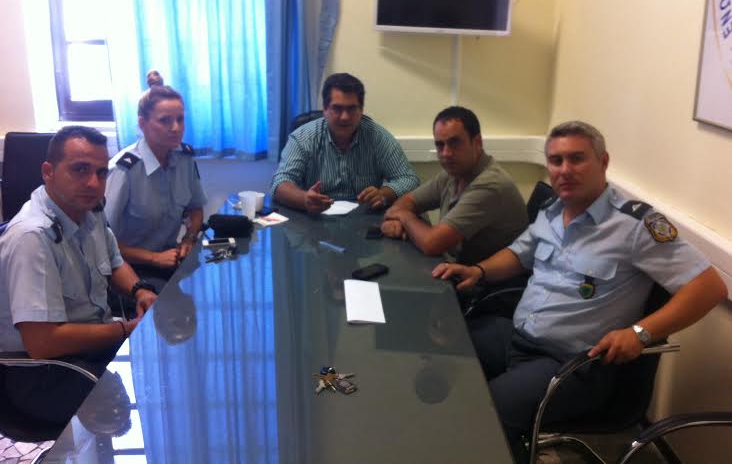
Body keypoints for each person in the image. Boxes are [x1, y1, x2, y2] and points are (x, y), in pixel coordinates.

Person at [432, 120, 728, 462]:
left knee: (484, 414)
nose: (565, 169)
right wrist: (478, 270)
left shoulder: (634, 227)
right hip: (517, 337)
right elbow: (518, 254)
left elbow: (709, 287)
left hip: (571, 365)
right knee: (445, 346)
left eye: (577, 158)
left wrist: (640, 333)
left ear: (603, 162)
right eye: (556, 161)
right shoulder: (553, 211)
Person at [0, 126, 158, 424]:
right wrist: (125, 330)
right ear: (48, 172)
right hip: (41, 373)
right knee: (150, 401)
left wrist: (140, 290)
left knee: (167, 360)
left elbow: (114, 263)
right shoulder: (32, 237)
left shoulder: (89, 211)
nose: (93, 183)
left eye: (101, 173)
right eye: (80, 169)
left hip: (88, 346)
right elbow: (42, 342)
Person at [381, 106, 527, 264]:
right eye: (440, 145)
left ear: (477, 142)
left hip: (481, 277)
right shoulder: (454, 173)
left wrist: (404, 217)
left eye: (454, 143)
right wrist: (397, 220)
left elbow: (431, 243)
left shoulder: (490, 185)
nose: (446, 153)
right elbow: (408, 200)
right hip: (455, 267)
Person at [105, 70, 207, 287]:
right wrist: (153, 258)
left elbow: (196, 209)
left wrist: (189, 238)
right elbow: (102, 241)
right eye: (165, 121)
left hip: (168, 258)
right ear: (142, 124)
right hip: (128, 268)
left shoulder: (184, 159)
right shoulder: (124, 169)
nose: (176, 128)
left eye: (180, 119)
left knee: (214, 282)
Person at [271, 72, 419, 213]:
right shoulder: (303, 137)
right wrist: (305, 199)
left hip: (363, 218)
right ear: (325, 109)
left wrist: (383, 194)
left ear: (361, 109)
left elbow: (409, 179)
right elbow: (280, 183)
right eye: (337, 108)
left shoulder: (378, 137)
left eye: (352, 109)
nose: (344, 117)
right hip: (314, 217)